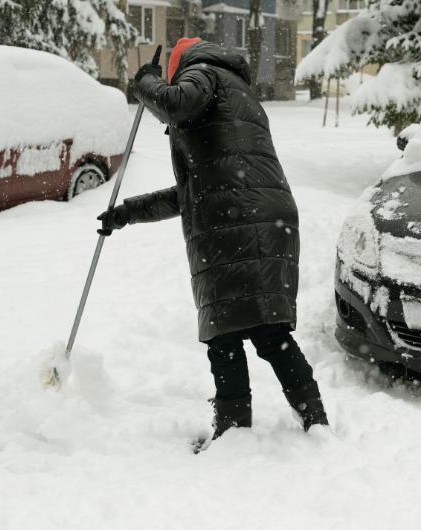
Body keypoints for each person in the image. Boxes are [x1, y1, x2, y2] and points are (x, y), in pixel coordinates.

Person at [98, 37, 328, 442]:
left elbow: (175, 102)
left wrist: (145, 84)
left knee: (225, 334)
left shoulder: (203, 73)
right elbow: (192, 193)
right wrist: (126, 214)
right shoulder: (234, 90)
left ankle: (234, 433)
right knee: (268, 331)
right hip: (260, 216)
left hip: (235, 219)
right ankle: (315, 420)